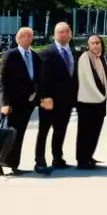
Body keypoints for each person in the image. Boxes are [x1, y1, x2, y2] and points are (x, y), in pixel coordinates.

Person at [0, 27, 40, 176]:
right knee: (5, 134)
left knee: (19, 135)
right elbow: (3, 80)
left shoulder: (35, 56)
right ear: (17, 39)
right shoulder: (10, 55)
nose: (27, 38)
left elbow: (38, 78)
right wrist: (5, 103)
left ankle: (14, 164)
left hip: (27, 105)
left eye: (30, 36)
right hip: (12, 104)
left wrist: (36, 94)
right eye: (24, 36)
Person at [34, 22, 77, 175]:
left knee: (60, 131)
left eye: (66, 31)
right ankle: (39, 161)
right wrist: (43, 97)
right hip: (49, 101)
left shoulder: (73, 52)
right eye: (60, 32)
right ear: (54, 35)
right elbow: (40, 78)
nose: (64, 34)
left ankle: (57, 158)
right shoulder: (46, 53)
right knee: (43, 132)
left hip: (66, 101)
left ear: (70, 34)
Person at [75, 34, 107, 170]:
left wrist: (106, 94)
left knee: (95, 131)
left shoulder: (101, 59)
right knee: (85, 132)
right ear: (88, 45)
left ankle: (89, 156)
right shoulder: (84, 58)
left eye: (98, 42)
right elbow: (88, 80)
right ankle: (82, 160)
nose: (96, 45)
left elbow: (105, 78)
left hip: (99, 102)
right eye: (93, 43)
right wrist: (102, 96)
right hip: (86, 102)